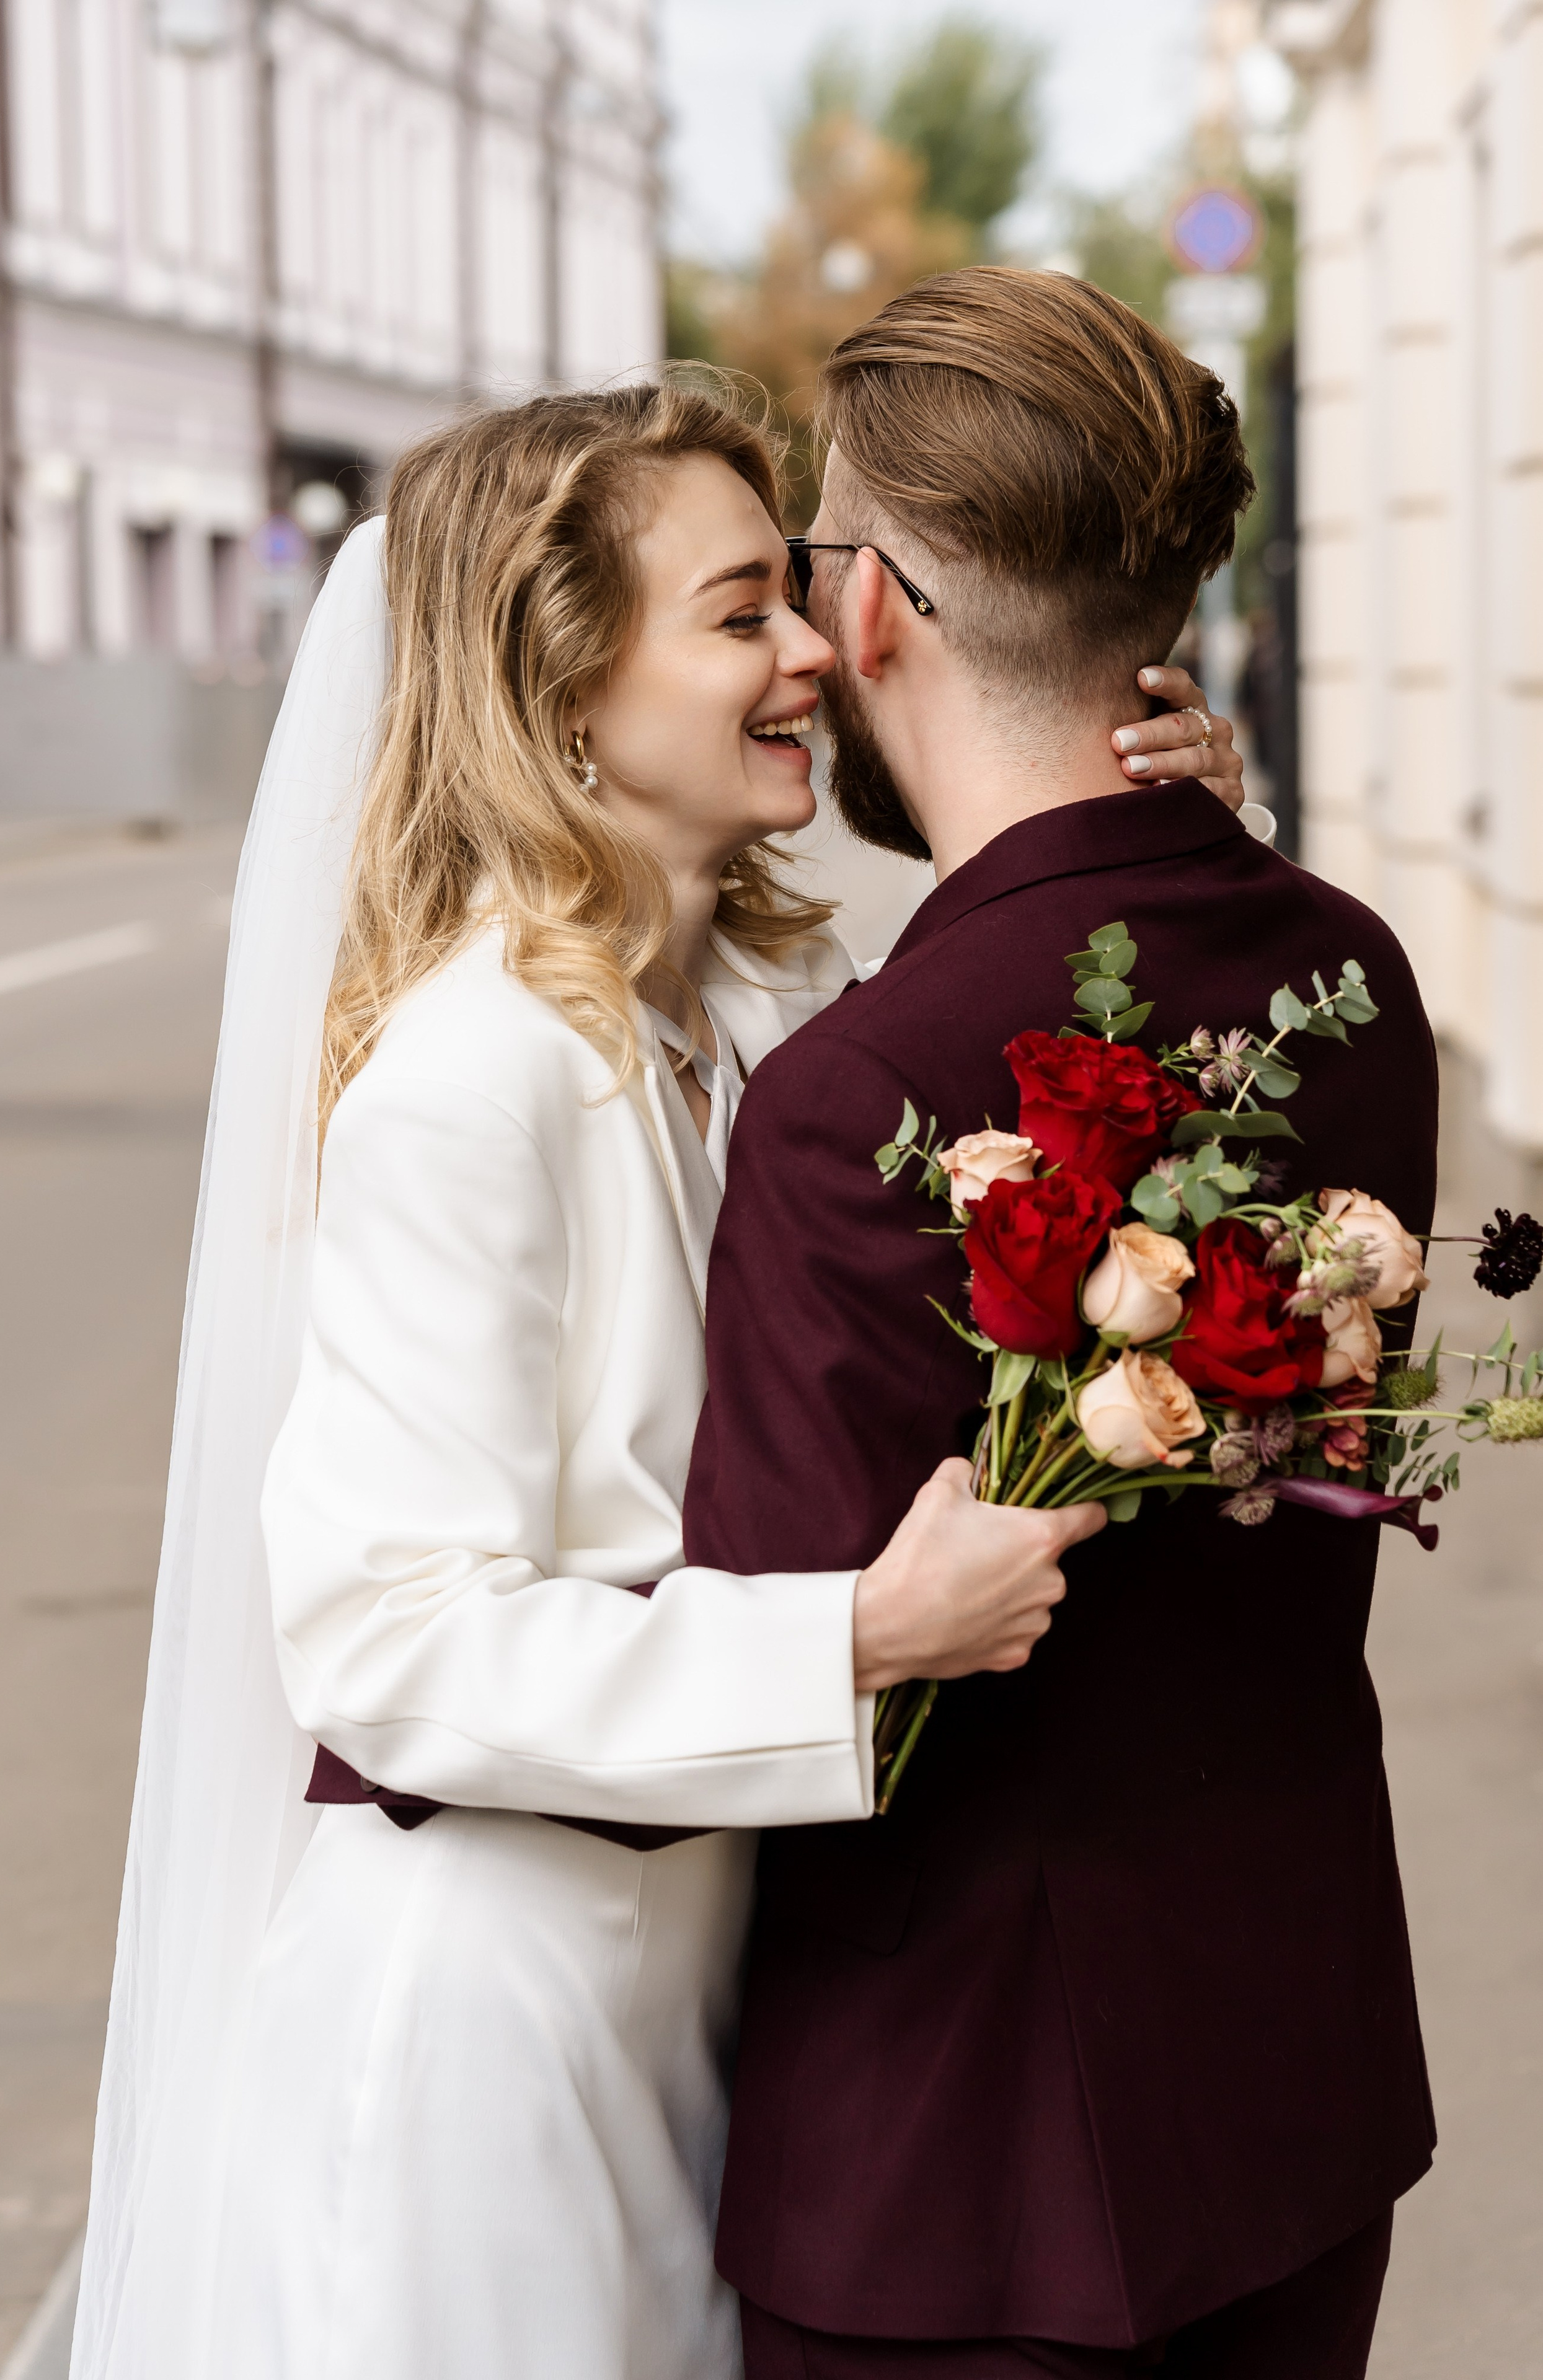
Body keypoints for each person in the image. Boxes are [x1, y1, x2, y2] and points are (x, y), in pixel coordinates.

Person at [68, 377, 1245, 2380]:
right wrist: (857, 1641)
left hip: (704, 1996)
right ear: (560, 687)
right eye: (735, 615)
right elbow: (387, 1638)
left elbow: (1077, 1067)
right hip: (488, 2034)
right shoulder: (467, 1076)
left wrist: (1176, 833)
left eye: (793, 594)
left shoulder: (775, 1011)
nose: (809, 648)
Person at [684, 268, 1439, 2380]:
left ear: (887, 607)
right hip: (1294, 2081)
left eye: (813, 564)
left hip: (959, 2170)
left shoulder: (864, 1095)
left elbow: (776, 1655)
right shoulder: (1357, 976)